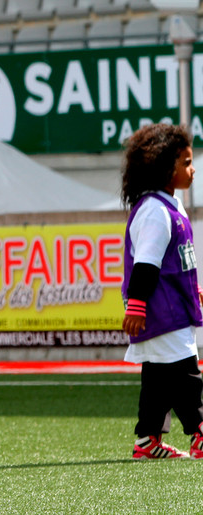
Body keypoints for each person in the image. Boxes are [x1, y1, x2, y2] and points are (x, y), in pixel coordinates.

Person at [120, 123, 203, 460]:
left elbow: (176, 260)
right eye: (184, 162)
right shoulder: (154, 211)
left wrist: (193, 287)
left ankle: (147, 439)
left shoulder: (172, 205)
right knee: (185, 370)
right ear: (162, 166)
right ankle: (199, 431)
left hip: (173, 306)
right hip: (161, 309)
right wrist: (137, 305)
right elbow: (146, 264)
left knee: (157, 372)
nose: (192, 168)